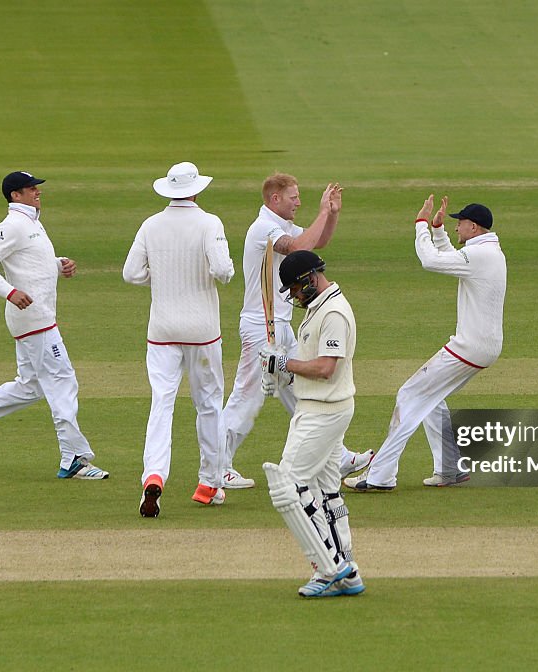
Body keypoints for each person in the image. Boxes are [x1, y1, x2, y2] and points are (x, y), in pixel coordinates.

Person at [0, 171, 108, 480]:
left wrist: (59, 265)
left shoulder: (32, 221)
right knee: (63, 384)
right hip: (35, 319)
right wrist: (10, 292)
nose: (36, 192)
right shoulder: (13, 225)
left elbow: (31, 262)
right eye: (30, 188)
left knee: (30, 387)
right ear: (14, 195)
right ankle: (73, 459)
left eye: (36, 187)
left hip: (37, 317)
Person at [219, 174, 373, 489]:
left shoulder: (283, 226)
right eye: (293, 197)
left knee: (301, 391)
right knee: (247, 397)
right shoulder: (264, 228)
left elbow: (318, 243)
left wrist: (332, 214)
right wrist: (321, 212)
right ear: (275, 199)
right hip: (261, 326)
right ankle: (217, 466)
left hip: (281, 325)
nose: (298, 203)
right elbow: (299, 248)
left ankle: (338, 456)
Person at [345, 196, 507, 492]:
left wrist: (420, 225)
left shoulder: (483, 255)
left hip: (470, 347)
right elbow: (454, 262)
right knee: (432, 401)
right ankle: (450, 469)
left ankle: (380, 477)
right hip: (482, 346)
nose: (457, 228)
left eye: (460, 224)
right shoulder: (488, 251)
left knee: (409, 395)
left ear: (473, 227)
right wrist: (439, 231)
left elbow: (431, 261)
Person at [124, 162, 235, 517]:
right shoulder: (209, 222)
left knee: (162, 403)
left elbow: (131, 273)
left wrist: (161, 281)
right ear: (196, 190)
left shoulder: (150, 225)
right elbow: (222, 270)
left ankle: (154, 474)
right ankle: (209, 482)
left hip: (162, 330)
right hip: (202, 331)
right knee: (209, 403)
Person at [261, 250, 364, 597]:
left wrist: (286, 364)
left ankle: (327, 568)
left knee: (288, 486)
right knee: (326, 490)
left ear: (310, 279)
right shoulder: (321, 308)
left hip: (325, 411)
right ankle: (347, 571)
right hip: (318, 406)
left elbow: (325, 368)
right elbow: (313, 366)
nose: (294, 296)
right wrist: (281, 373)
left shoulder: (334, 312)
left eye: (295, 288)